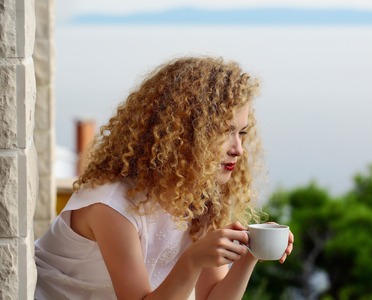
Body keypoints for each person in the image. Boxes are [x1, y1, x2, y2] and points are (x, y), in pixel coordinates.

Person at [35, 56, 294, 299]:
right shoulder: (110, 205)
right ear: (184, 133)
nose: (237, 148)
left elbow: (210, 296)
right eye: (225, 132)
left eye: (242, 133)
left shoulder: (198, 197)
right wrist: (193, 259)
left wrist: (252, 252)